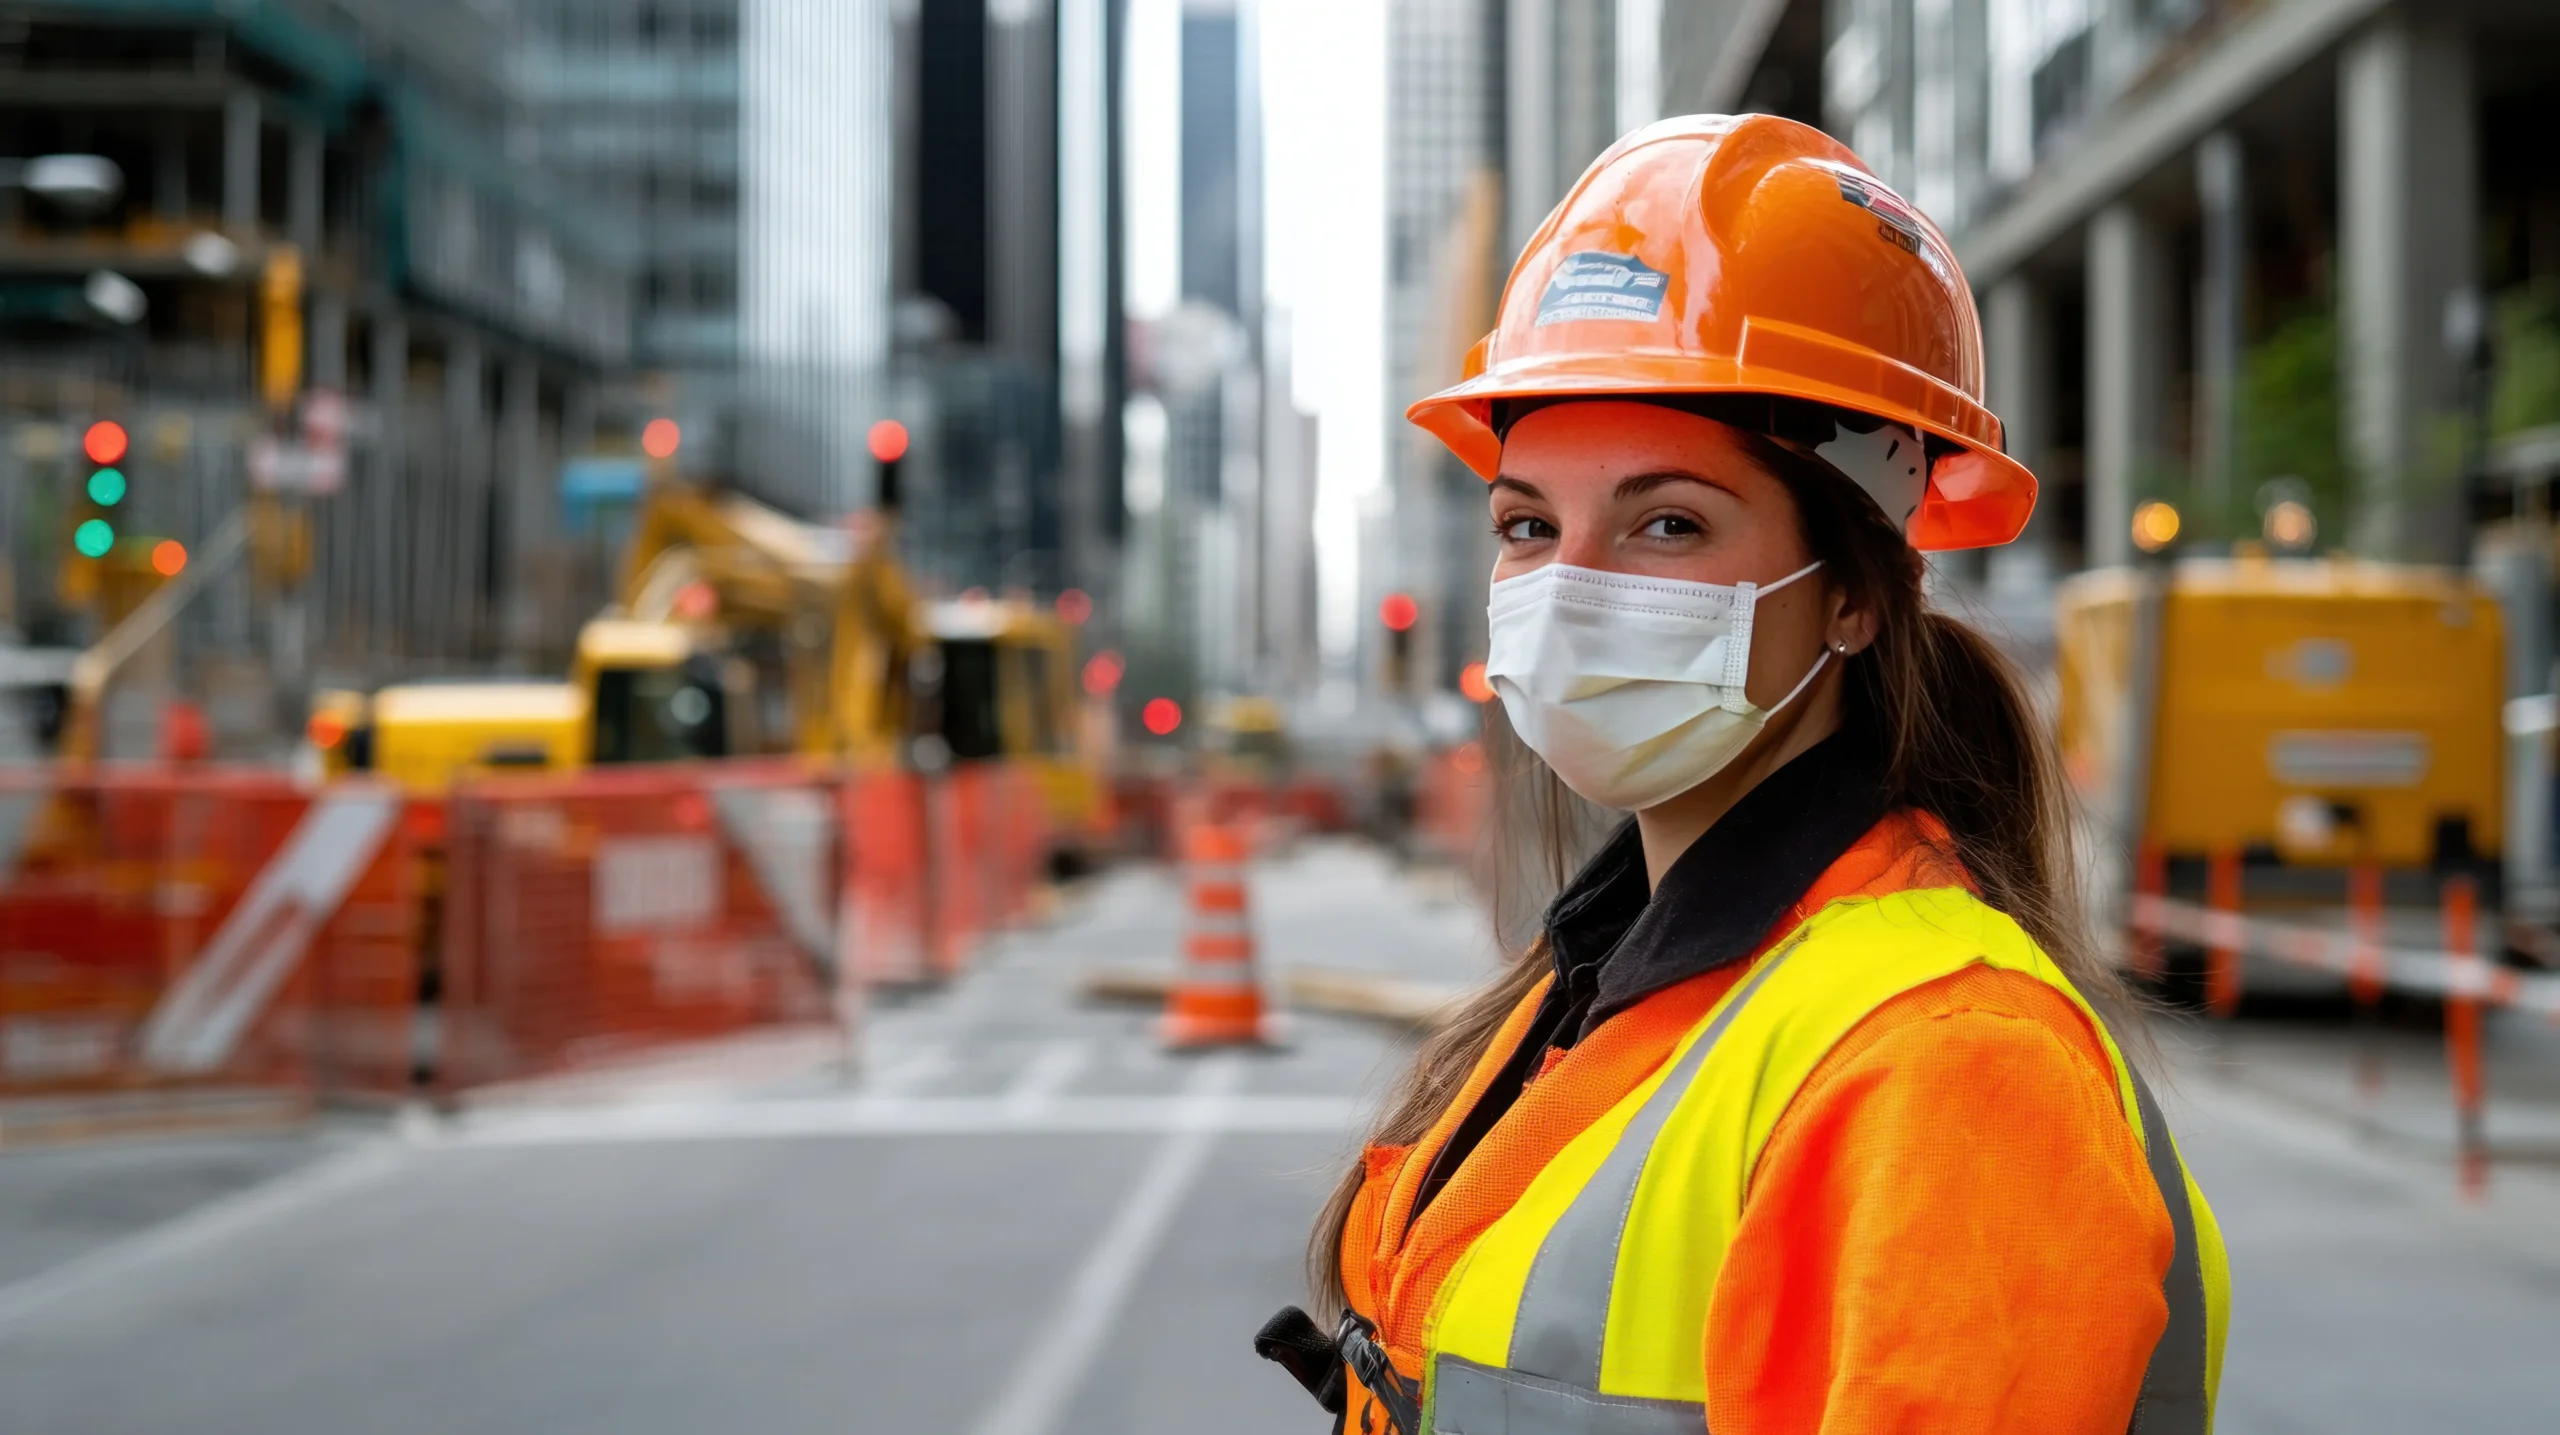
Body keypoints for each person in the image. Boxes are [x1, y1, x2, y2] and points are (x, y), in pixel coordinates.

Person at [1253, 115, 2227, 1434]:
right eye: (1529, 524)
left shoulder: (1955, 1069)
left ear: (1852, 596)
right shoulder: (1608, 979)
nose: (1571, 588)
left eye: (1668, 522)